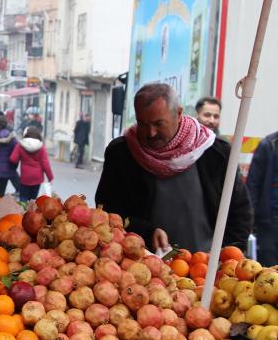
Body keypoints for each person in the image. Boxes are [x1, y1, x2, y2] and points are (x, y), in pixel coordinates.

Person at [96, 83, 252, 252]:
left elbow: (240, 213)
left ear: (178, 114)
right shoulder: (122, 153)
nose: (151, 133)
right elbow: (107, 210)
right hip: (141, 269)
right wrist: (146, 232)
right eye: (142, 124)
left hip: (205, 269)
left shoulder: (215, 152)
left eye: (159, 124)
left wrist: (225, 257)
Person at [247, 131, 278, 265]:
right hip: (270, 222)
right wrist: (249, 220)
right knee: (269, 273)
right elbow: (253, 184)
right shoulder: (269, 145)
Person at [10, 126, 54, 202]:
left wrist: (21, 157)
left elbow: (13, 159)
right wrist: (50, 177)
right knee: (33, 200)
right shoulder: (41, 147)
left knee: (23, 198)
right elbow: (45, 164)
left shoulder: (21, 145)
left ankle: (23, 212)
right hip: (37, 178)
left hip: (25, 177)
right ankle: (31, 212)